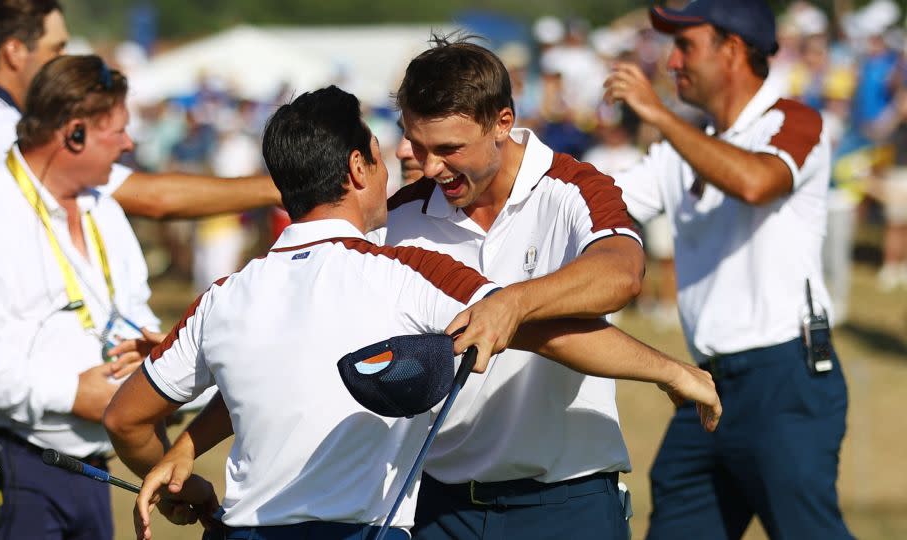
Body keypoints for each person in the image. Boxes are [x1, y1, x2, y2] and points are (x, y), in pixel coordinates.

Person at [103, 85, 722, 540]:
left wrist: (185, 457)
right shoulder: (402, 271)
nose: (403, 163)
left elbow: (126, 419)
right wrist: (670, 370)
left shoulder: (224, 295)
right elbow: (535, 331)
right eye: (382, 151)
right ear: (356, 168)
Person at [604, 1, 853, 538]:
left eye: (686, 44)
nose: (671, 62)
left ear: (734, 50)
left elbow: (756, 182)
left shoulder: (796, 120)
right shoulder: (683, 147)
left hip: (785, 378)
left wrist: (659, 116)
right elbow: (602, 204)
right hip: (709, 386)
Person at [382, 36, 646, 540]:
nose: (429, 166)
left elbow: (622, 273)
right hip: (439, 507)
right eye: (417, 144)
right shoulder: (397, 219)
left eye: (448, 149)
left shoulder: (572, 187)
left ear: (503, 122)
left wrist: (512, 302)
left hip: (569, 502)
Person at [0, 55, 159, 539]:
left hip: (88, 464)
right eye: (118, 131)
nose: (129, 144)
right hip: (7, 463)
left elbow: (132, 308)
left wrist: (151, 355)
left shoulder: (102, 208)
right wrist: (71, 393)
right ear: (75, 132)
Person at [0, 0, 281, 219]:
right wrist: (275, 188)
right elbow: (153, 198)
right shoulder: (4, 131)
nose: (65, 59)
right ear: (15, 52)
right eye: (57, 47)